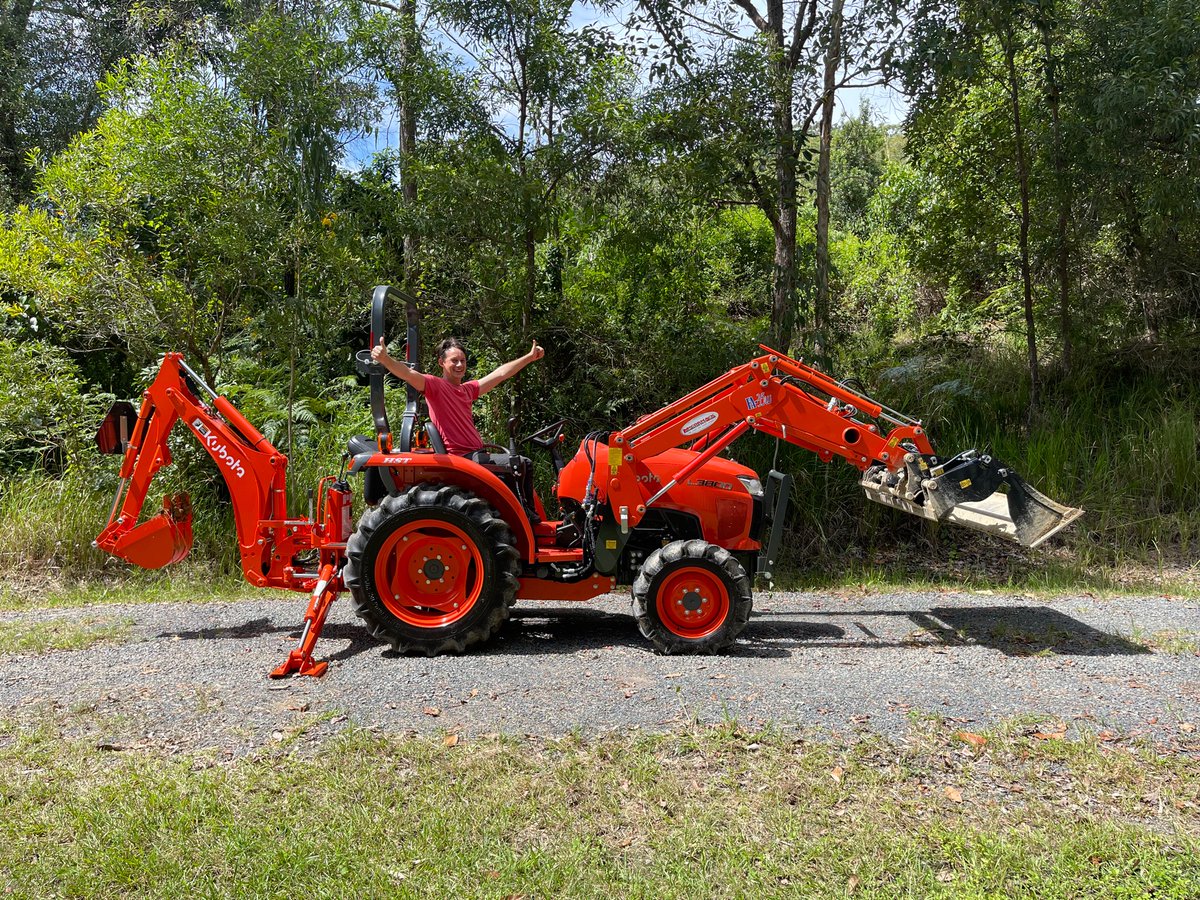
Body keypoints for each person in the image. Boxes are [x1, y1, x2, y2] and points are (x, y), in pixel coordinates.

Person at [371, 335, 544, 457]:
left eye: (463, 360)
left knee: (520, 464)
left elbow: (500, 373)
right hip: (462, 457)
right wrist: (386, 359)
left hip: (477, 453)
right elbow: (408, 373)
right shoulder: (435, 386)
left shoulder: (468, 389)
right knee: (521, 464)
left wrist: (529, 357)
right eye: (454, 360)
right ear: (442, 362)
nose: (460, 365)